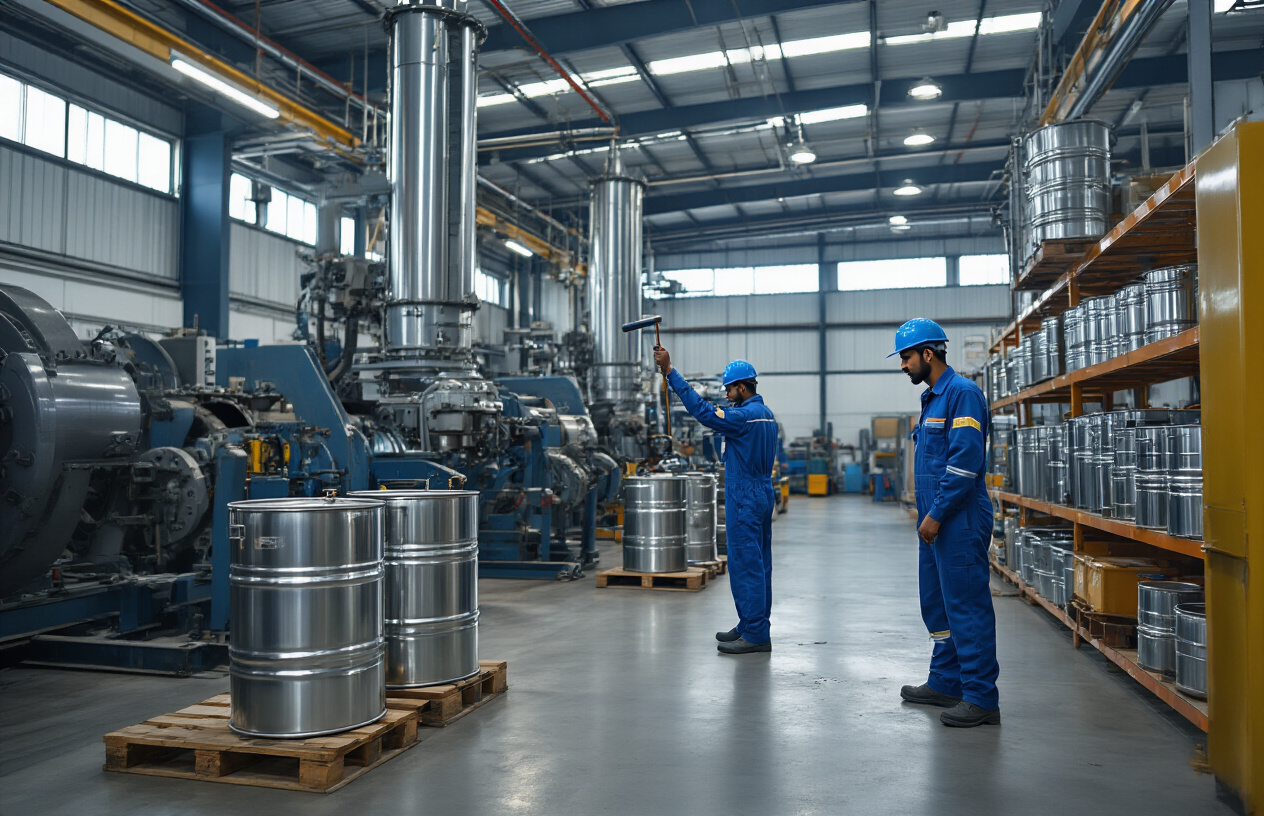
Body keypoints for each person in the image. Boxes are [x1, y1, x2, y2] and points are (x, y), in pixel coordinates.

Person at [890, 318, 1001, 727]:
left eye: (905, 357)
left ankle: (981, 697)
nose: (903, 365)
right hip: (934, 521)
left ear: (928, 354)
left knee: (966, 606)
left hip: (958, 518)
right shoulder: (933, 399)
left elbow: (964, 465)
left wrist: (936, 515)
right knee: (938, 606)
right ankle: (946, 681)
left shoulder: (963, 395)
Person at [652, 346, 777, 655]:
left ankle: (757, 633)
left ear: (743, 387)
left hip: (744, 496)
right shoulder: (767, 415)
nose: (727, 394)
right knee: (759, 564)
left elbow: (703, 412)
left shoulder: (743, 417)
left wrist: (670, 372)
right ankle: (751, 623)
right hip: (762, 492)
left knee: (745, 564)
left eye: (730, 389)